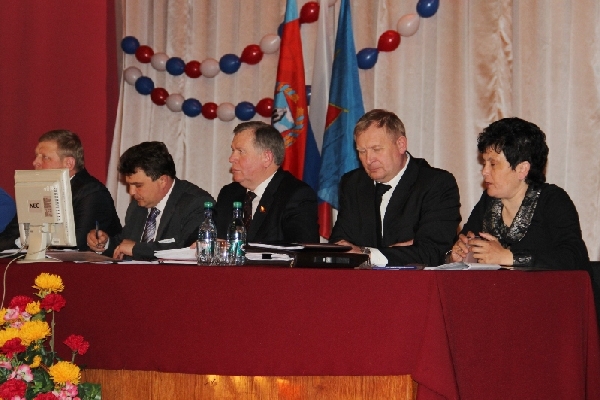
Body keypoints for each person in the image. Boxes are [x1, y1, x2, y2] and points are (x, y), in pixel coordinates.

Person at [448, 117, 589, 270]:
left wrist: (508, 257)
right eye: (484, 163)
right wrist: (457, 255)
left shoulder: (553, 200)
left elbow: (574, 256)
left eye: (493, 164)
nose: (484, 171)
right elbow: (464, 243)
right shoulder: (488, 201)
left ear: (522, 169)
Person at [330, 109, 461, 266]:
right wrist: (404, 250)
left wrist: (367, 254)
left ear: (401, 145)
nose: (369, 159)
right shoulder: (353, 183)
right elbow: (340, 244)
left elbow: (432, 252)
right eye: (362, 151)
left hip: (415, 280)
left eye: (376, 149)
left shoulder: (436, 184)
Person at [87, 141, 214, 260]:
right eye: (129, 185)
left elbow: (186, 248)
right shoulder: (137, 206)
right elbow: (124, 243)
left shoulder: (197, 204)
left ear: (162, 181)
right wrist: (104, 243)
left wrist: (137, 249)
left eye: (138, 185)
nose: (131, 192)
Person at [3, 130, 122, 251]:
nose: (35, 162)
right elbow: (6, 237)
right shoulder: (35, 190)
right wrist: (23, 241)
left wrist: (28, 240)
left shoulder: (92, 193)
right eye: (36, 156)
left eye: (45, 157)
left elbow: (78, 243)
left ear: (68, 163)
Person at [215, 121, 319, 243]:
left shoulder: (296, 195)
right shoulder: (229, 194)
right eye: (233, 151)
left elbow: (301, 248)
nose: (231, 158)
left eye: (240, 151)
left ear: (266, 158)